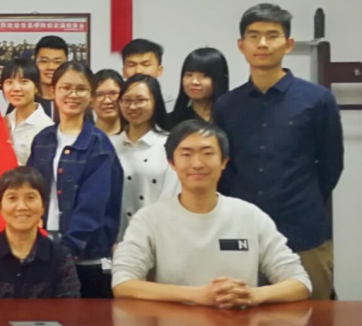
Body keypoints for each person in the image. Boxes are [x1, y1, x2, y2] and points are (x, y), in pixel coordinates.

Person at [213, 3, 343, 301]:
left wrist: (302, 199)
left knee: (312, 319)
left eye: (272, 35)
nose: (262, 43)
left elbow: (331, 166)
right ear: (241, 45)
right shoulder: (226, 105)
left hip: (303, 230)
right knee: (240, 317)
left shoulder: (317, 100)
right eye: (253, 36)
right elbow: (225, 169)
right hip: (241, 232)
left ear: (289, 44)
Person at [112, 120, 311, 307]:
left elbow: (299, 282)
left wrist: (253, 295)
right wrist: (196, 295)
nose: (197, 163)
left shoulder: (250, 216)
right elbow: (122, 283)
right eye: (186, 154)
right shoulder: (149, 219)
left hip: (239, 325)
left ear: (224, 161)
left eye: (208, 153)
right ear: (172, 163)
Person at [25, 61, 122, 298]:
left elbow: (93, 208)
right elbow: (30, 190)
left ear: (91, 96)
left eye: (81, 89)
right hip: (42, 251)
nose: (73, 95)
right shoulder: (43, 139)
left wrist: (64, 253)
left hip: (84, 259)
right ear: (53, 91)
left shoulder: (99, 145)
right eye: (66, 88)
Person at [0, 166, 81, 299]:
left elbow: (69, 308)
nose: (21, 207)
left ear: (43, 207)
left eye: (30, 197)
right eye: (12, 198)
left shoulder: (60, 257)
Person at [113, 74, 180, 240]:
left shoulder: (170, 144)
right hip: (116, 239)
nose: (132, 106)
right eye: (126, 100)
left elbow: (171, 197)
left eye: (140, 100)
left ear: (155, 102)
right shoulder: (109, 145)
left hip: (159, 236)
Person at [2, 58, 52, 165]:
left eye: (24, 82)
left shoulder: (46, 128)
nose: (16, 88)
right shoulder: (2, 122)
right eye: (9, 82)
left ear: (36, 87)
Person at [171, 47, 229, 124]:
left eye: (205, 76)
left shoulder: (232, 119)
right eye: (189, 75)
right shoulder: (170, 122)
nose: (194, 82)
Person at [32, 35, 69, 117]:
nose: (51, 67)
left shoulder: (74, 101)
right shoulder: (24, 101)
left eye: (57, 62)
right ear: (34, 63)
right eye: (44, 61)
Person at [91, 69, 125, 138]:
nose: (107, 101)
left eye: (113, 93)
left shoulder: (133, 136)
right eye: (100, 94)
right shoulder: (82, 137)